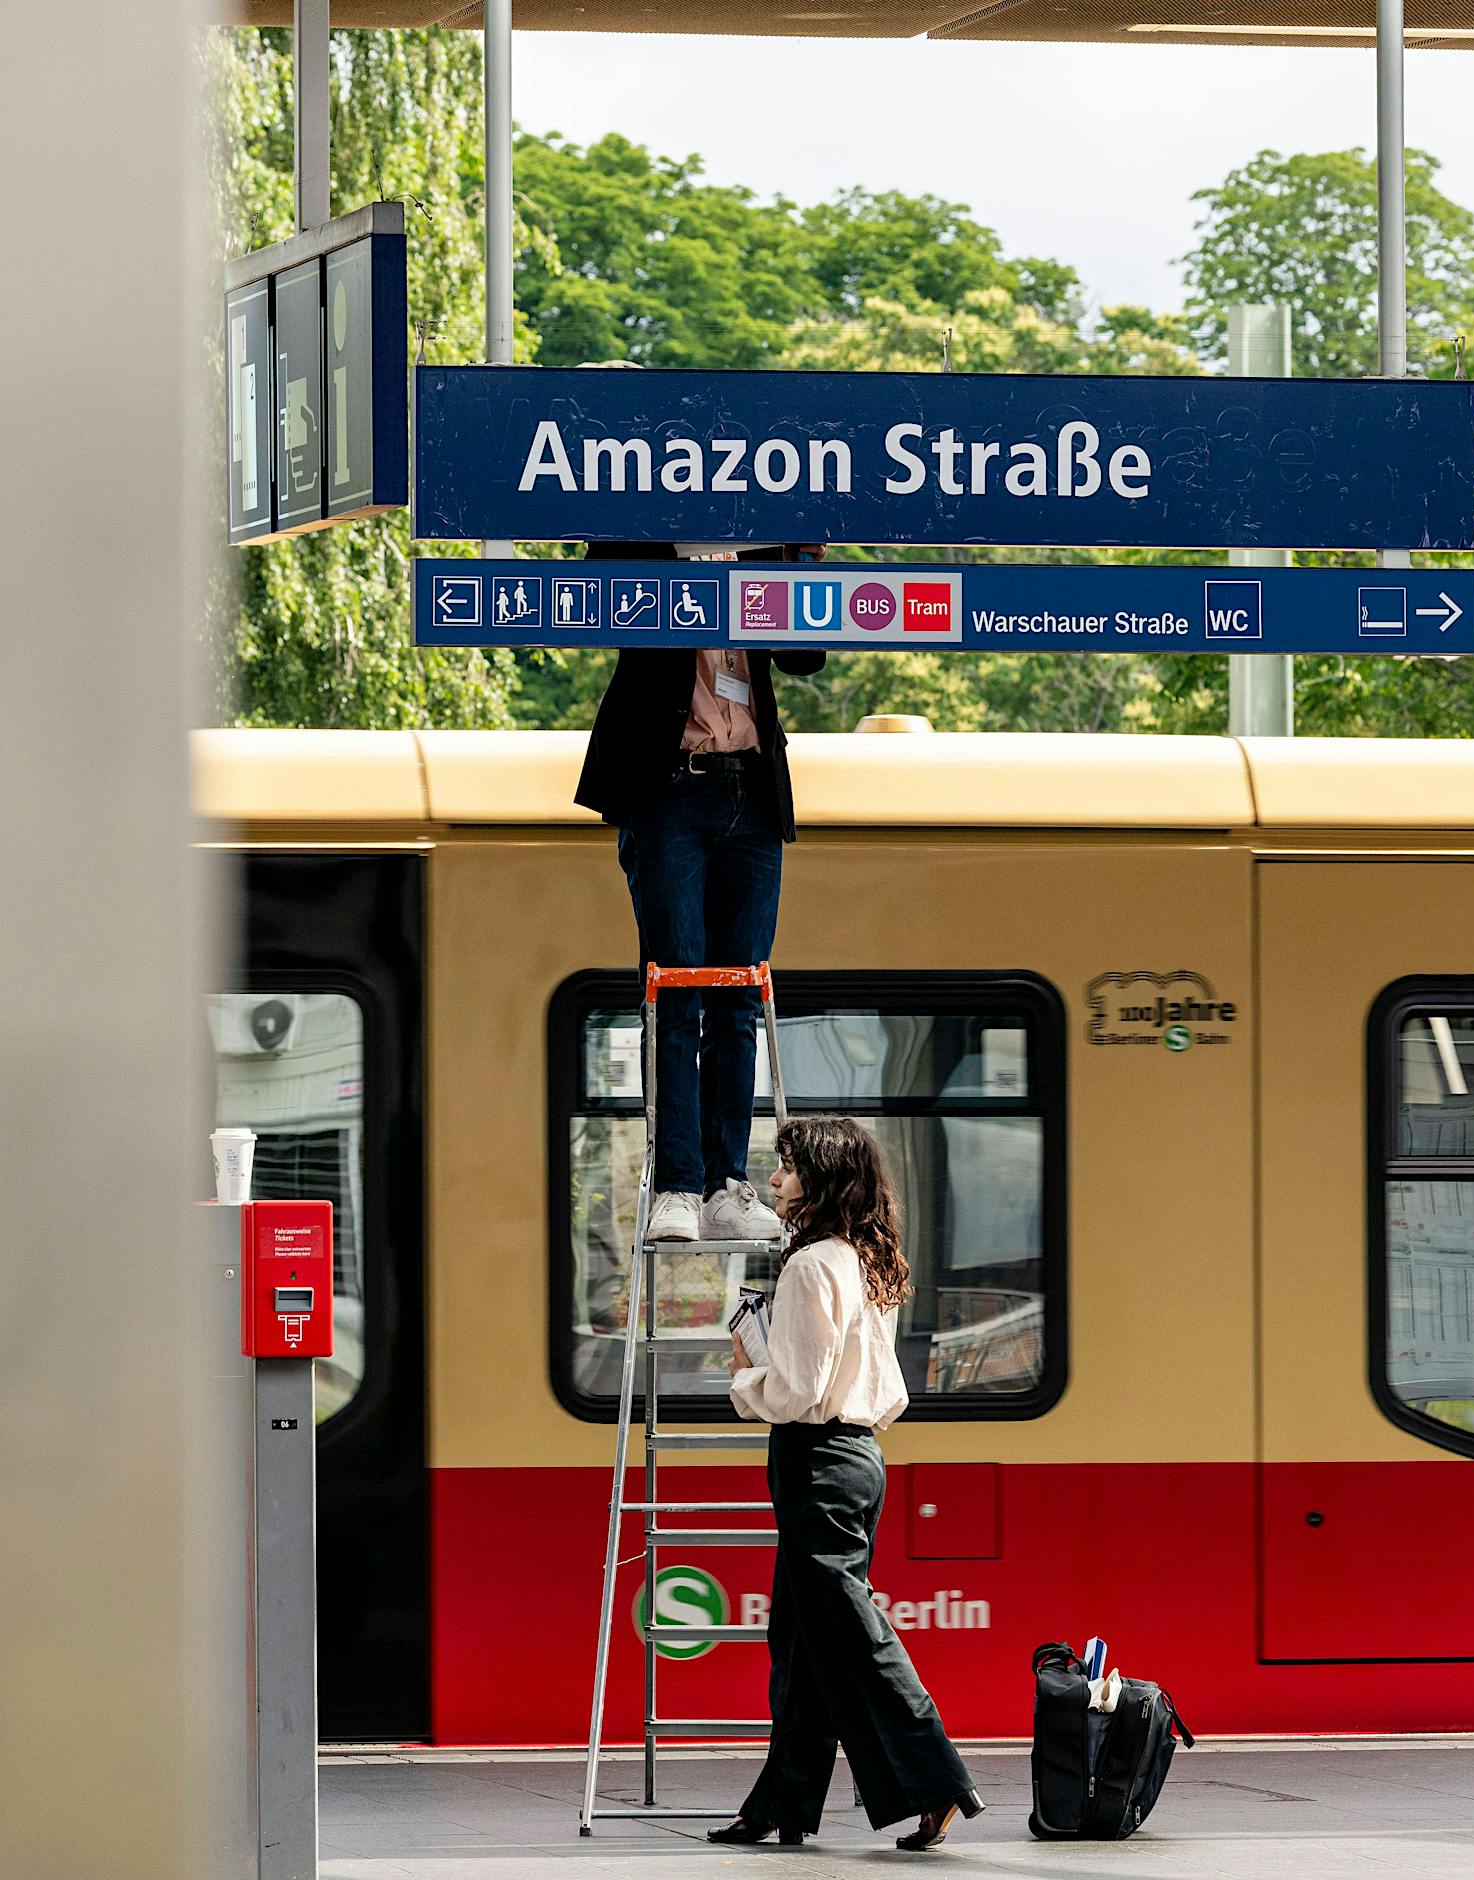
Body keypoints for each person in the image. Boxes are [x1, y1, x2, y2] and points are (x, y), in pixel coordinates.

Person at [716, 1116, 984, 1853]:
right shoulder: (867, 1258)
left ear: (821, 1180)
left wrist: (744, 1371)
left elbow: (799, 1390)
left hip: (815, 1459)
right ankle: (780, 1803)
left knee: (852, 1636)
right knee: (802, 1641)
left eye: (787, 1169)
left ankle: (938, 1782)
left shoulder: (809, 1266)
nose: (774, 1182)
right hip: (858, 1457)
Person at [574, 542, 826, 1244]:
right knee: (676, 988)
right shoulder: (638, 537)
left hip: (751, 785)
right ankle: (678, 1185)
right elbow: (597, 607)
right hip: (670, 785)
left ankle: (728, 1184)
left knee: (740, 996)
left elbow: (808, 657)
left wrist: (800, 566)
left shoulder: (769, 542)